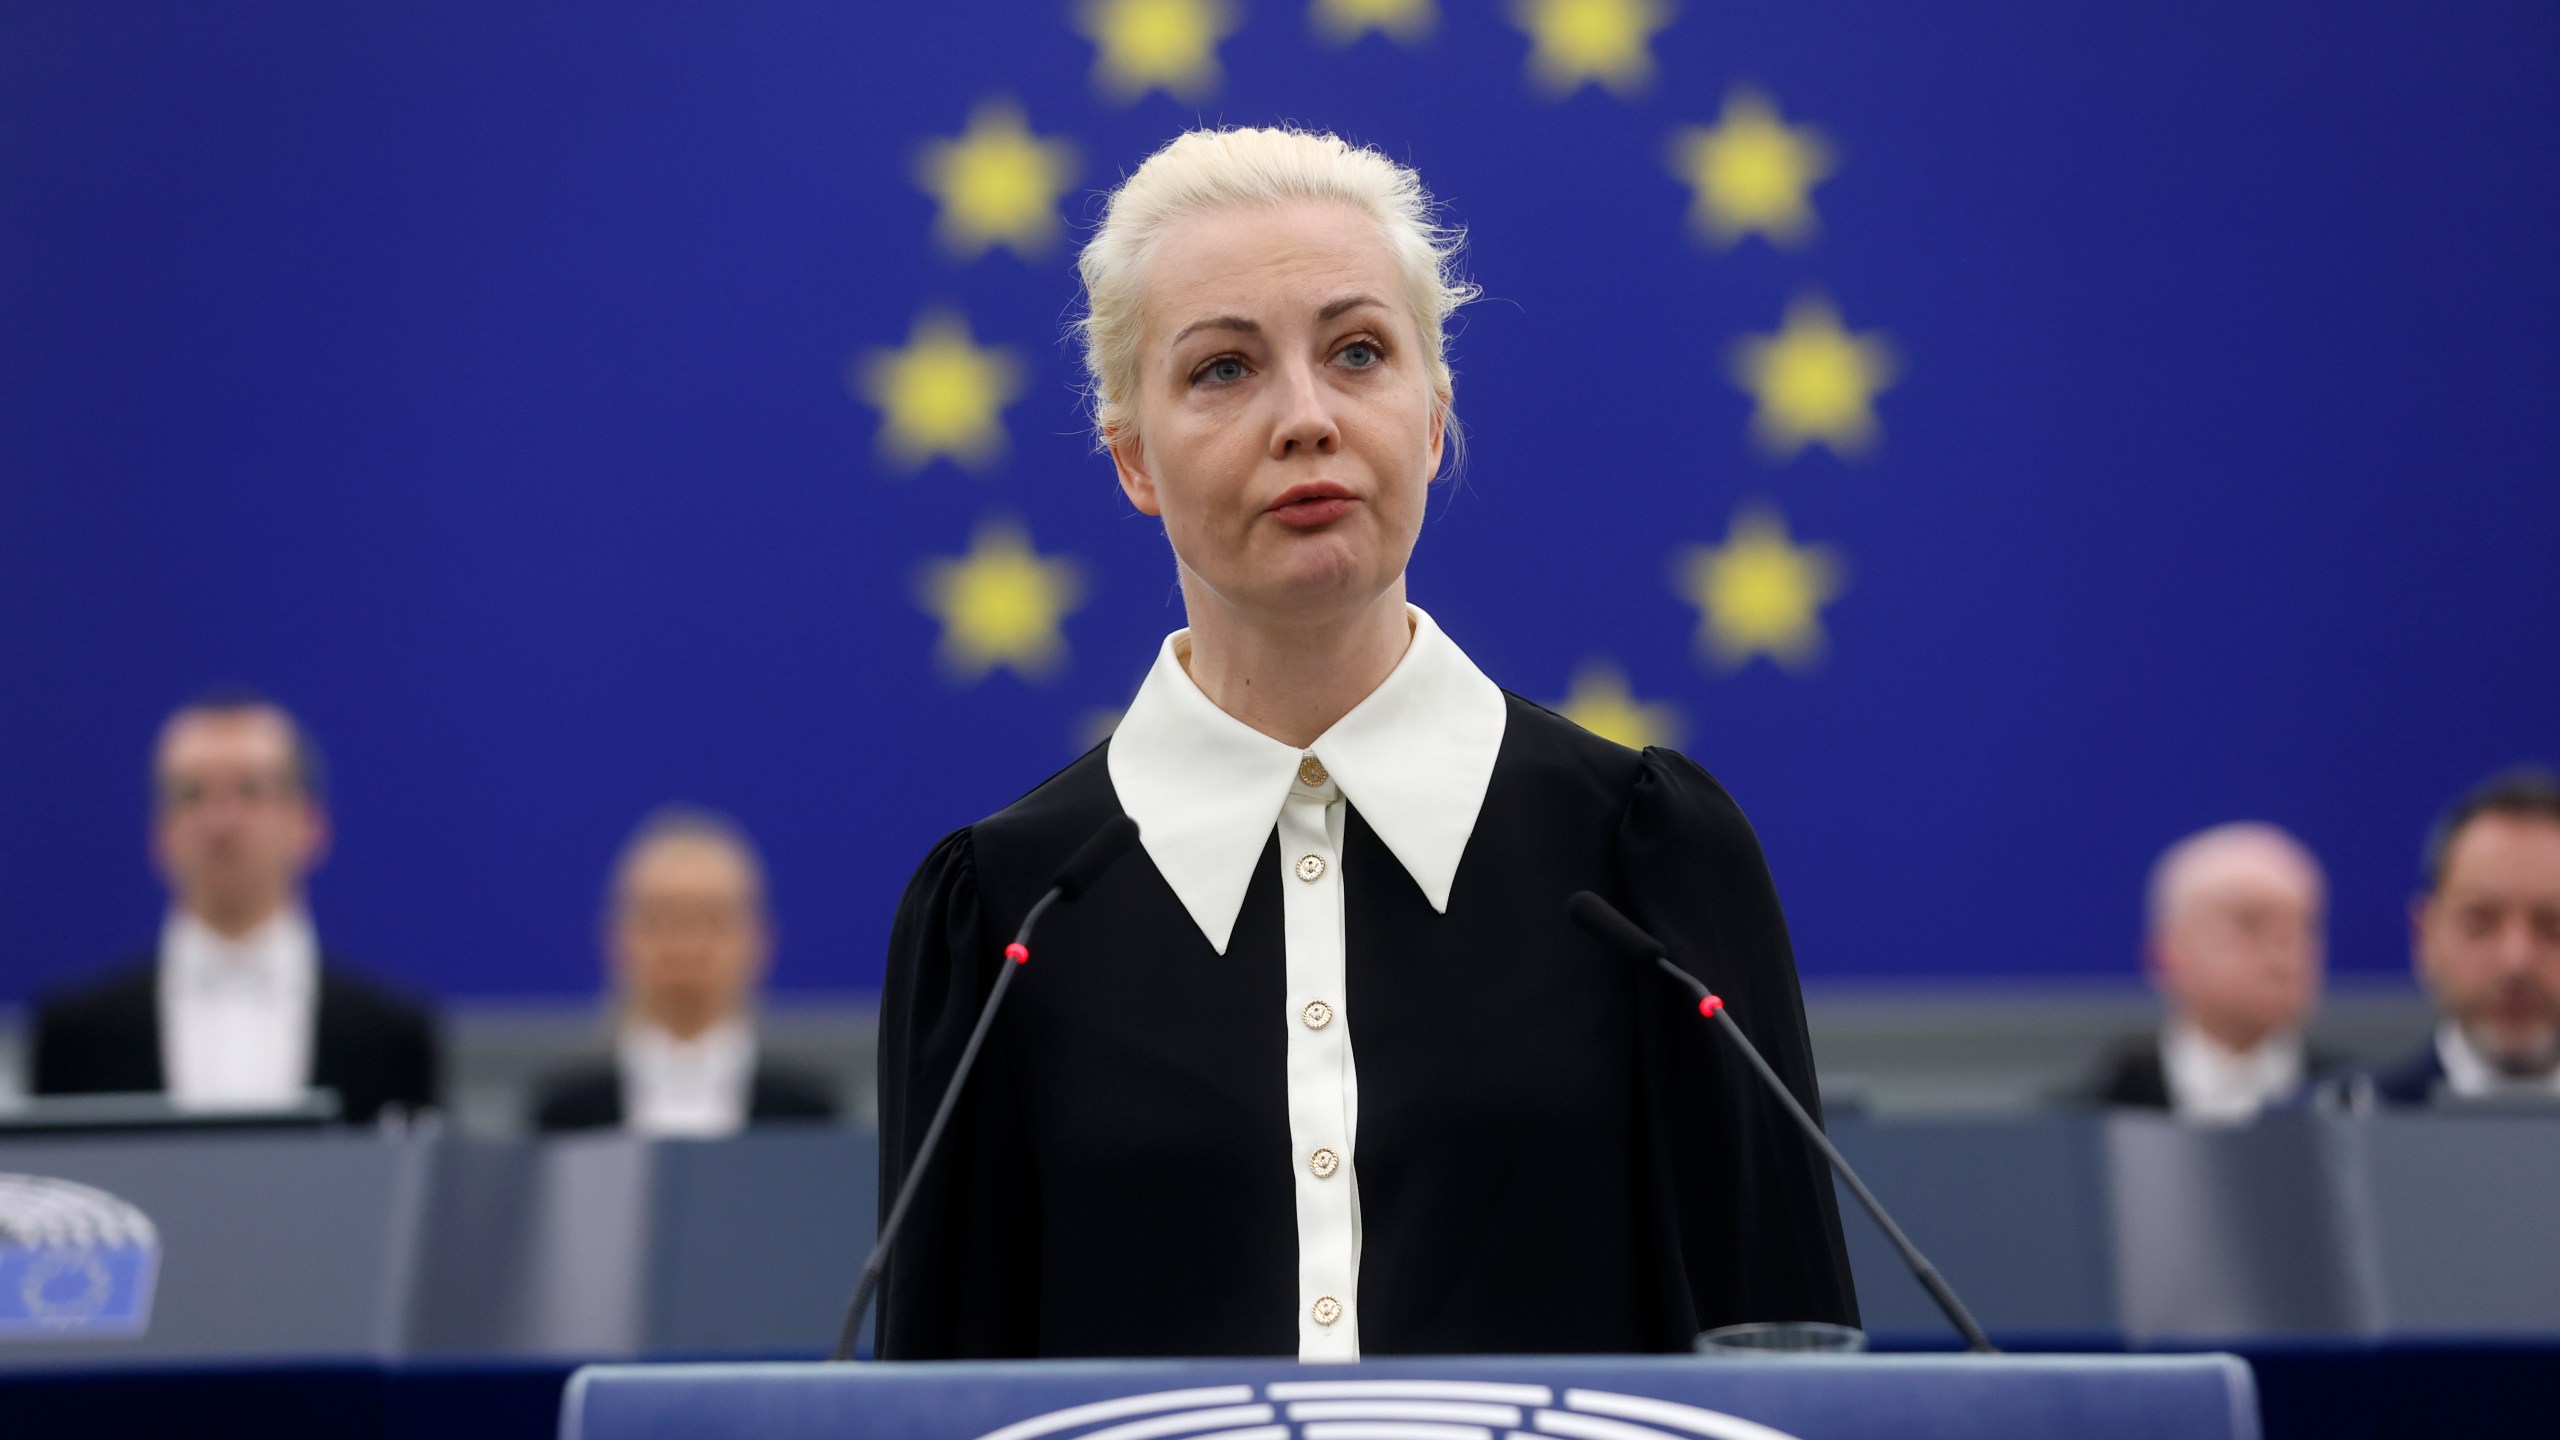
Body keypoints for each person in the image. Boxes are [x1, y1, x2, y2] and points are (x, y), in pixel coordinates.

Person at [877, 127, 1856, 1361]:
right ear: (1132, 459)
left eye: (1357, 353)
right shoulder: (1006, 910)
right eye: (1223, 369)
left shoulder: (1645, 858)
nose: (1305, 419)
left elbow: (1787, 1378)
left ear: (1432, 418)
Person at [30, 689, 438, 1123]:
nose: (221, 822)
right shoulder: (80, 1034)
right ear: (160, 834)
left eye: (250, 790)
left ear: (309, 825)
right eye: (192, 795)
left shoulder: (390, 1034)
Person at [529, 808, 837, 1135]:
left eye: (712, 920)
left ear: (758, 941)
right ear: (616, 938)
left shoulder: (810, 1119)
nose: (686, 943)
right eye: (660, 919)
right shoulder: (562, 1121)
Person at [2324, 769, 2560, 1107]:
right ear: (2423, 936)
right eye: (2479, 923)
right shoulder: (2339, 1122)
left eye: (2553, 927)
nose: (2516, 960)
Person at [2082, 823, 2341, 1121]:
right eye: (2250, 923)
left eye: (2302, 927)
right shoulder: (2085, 1119)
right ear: (2167, 954)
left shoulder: (2359, 1108)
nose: (2283, 954)